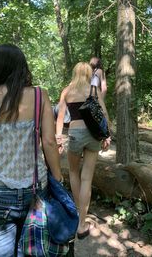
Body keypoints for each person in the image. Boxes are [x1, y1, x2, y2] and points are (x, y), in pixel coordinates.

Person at [0, 43, 62, 257]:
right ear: (22, 66)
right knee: (34, 249)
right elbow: (48, 141)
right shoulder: (40, 95)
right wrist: (57, 178)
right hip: (36, 188)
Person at [56, 62, 111, 240]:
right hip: (93, 135)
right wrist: (107, 135)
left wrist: (58, 137)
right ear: (88, 73)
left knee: (73, 172)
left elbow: (59, 116)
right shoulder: (93, 89)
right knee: (87, 177)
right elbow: (103, 113)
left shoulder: (67, 91)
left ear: (74, 73)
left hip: (75, 134)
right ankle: (82, 223)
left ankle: (78, 215)